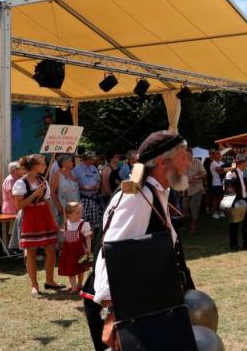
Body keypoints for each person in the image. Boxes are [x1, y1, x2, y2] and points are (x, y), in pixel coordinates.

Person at [84, 130, 195, 351]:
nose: (188, 162)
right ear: (163, 162)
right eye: (183, 156)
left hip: (143, 301)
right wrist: (110, 313)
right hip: (123, 309)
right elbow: (111, 254)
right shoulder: (138, 196)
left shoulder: (155, 191)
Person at [12, 154, 64, 296]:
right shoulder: (21, 183)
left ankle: (50, 281)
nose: (45, 166)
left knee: (51, 251)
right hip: (30, 217)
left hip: (44, 216)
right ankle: (34, 285)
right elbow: (19, 206)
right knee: (31, 252)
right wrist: (35, 194)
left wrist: (54, 222)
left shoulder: (43, 180)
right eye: (43, 163)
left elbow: (47, 202)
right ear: (35, 166)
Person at [58, 202, 92, 293]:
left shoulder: (83, 224)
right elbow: (66, 236)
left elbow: (87, 237)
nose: (80, 214)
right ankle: (74, 287)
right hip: (69, 251)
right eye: (77, 213)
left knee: (81, 268)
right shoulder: (66, 224)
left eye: (80, 212)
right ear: (69, 214)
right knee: (70, 269)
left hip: (80, 250)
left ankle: (80, 284)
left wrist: (88, 248)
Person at [74, 152, 103, 243]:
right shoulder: (77, 169)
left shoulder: (93, 167)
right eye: (91, 158)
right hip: (84, 198)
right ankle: (84, 242)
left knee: (94, 222)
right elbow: (75, 183)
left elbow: (98, 179)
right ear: (86, 158)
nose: (93, 160)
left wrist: (98, 185)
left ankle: (92, 241)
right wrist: (84, 187)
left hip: (94, 198)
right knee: (84, 221)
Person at [50, 155, 80, 243]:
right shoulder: (57, 175)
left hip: (75, 206)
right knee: (64, 230)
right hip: (63, 207)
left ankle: (72, 249)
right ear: (63, 163)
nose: (73, 163)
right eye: (70, 161)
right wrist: (58, 206)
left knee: (74, 229)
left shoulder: (73, 174)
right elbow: (52, 192)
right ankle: (62, 250)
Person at [225, 154, 247, 251]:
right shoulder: (232, 173)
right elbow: (228, 188)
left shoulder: (241, 172)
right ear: (242, 163)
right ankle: (233, 245)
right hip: (236, 201)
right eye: (246, 162)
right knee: (234, 224)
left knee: (245, 223)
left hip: (243, 200)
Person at [182, 150, 207, 234]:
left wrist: (195, 177)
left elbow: (204, 174)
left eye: (187, 154)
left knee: (194, 208)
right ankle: (188, 223)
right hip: (185, 189)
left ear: (191, 154)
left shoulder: (197, 162)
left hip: (196, 189)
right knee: (184, 208)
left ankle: (193, 226)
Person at [2, 161, 23, 250]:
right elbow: (12, 195)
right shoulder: (11, 179)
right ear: (15, 170)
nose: (21, 170)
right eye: (19, 168)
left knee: (12, 227)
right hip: (11, 207)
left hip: (12, 206)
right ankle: (10, 248)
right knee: (11, 228)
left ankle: (11, 248)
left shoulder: (14, 179)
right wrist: (18, 206)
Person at [207, 150, 226, 219]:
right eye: (217, 154)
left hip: (222, 183)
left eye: (219, 154)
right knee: (215, 199)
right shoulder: (213, 163)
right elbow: (221, 171)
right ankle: (214, 212)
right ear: (214, 155)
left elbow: (224, 170)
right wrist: (224, 169)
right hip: (215, 183)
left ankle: (220, 211)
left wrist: (224, 169)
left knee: (221, 198)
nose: (219, 155)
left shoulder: (221, 162)